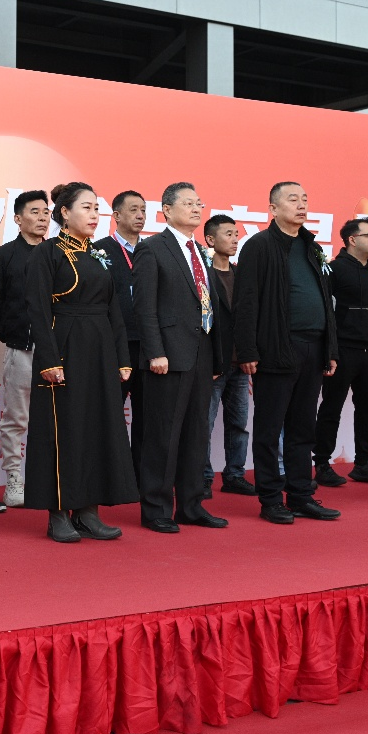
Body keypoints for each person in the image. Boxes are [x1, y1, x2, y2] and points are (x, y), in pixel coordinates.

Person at [26, 182, 137, 542]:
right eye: (86, 208)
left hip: (100, 351)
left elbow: (113, 309)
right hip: (65, 349)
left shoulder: (98, 253)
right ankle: (59, 513)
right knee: (64, 430)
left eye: (96, 209)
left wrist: (121, 357)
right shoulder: (48, 253)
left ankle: (89, 512)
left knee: (98, 428)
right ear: (64, 212)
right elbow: (38, 310)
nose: (94, 215)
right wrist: (48, 359)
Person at [235, 182, 342, 524]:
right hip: (276, 348)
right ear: (273, 208)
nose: (301, 205)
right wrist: (247, 350)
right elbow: (245, 301)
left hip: (314, 347)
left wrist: (330, 348)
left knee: (303, 428)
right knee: (269, 429)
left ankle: (300, 495)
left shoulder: (312, 246)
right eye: (292, 199)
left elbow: (325, 301)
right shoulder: (259, 246)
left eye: (304, 199)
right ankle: (270, 499)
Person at [132, 183, 226, 533]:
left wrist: (216, 358)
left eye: (199, 203)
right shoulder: (152, 248)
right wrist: (155, 351)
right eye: (188, 203)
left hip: (201, 353)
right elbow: (144, 307)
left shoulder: (199, 250)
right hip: (168, 356)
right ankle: (156, 509)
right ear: (167, 210)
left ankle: (191, 505)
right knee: (163, 435)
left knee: (195, 434)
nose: (196, 208)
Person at [311, 218, 368, 486]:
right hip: (343, 349)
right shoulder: (334, 269)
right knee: (331, 407)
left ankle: (364, 462)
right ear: (352, 239)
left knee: (367, 407)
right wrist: (330, 350)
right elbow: (326, 311)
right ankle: (322, 463)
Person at [0, 190, 52, 507]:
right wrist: (12, 335)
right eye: (35, 212)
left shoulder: (57, 254)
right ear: (17, 218)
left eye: (46, 212)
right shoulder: (3, 256)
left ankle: (49, 480)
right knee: (16, 419)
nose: (42, 218)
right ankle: (14, 479)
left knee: (54, 420)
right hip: (22, 350)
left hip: (56, 353)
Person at [93, 191, 146, 483]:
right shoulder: (99, 250)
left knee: (146, 415)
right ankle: (111, 477)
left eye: (143, 210)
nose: (140, 215)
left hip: (148, 346)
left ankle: (140, 476)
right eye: (134, 209)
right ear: (116, 216)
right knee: (111, 413)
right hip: (115, 345)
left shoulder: (151, 251)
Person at [202, 214, 256, 498]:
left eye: (237, 234)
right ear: (210, 239)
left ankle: (235, 475)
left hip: (240, 364)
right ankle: (202, 478)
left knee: (239, 424)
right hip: (213, 364)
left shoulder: (242, 275)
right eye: (228, 234)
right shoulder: (201, 275)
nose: (235, 239)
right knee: (204, 425)